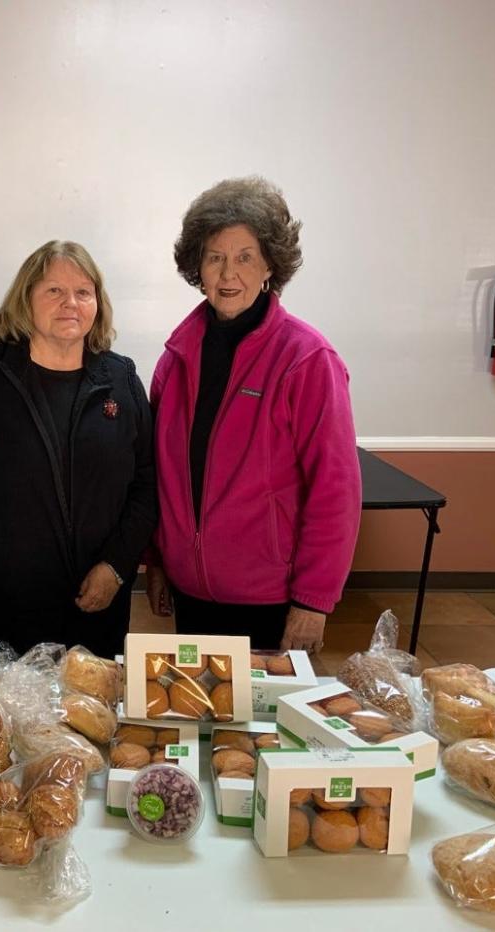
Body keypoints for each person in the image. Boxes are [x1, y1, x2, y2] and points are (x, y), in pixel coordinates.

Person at [146, 177, 361, 653]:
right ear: (197, 267)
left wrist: (314, 600)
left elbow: (335, 487)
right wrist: (158, 560)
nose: (228, 273)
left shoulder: (307, 359)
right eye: (215, 257)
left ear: (270, 265)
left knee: (259, 728)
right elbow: (161, 476)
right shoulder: (176, 358)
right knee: (199, 720)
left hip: (270, 599)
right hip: (190, 590)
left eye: (245, 256)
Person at [0, 241, 157, 660]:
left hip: (98, 601)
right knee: (10, 721)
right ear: (26, 299)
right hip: (6, 605)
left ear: (97, 301)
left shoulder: (122, 379)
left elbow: (147, 486)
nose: (70, 303)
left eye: (83, 291)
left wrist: (116, 567)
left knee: (92, 719)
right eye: (53, 291)